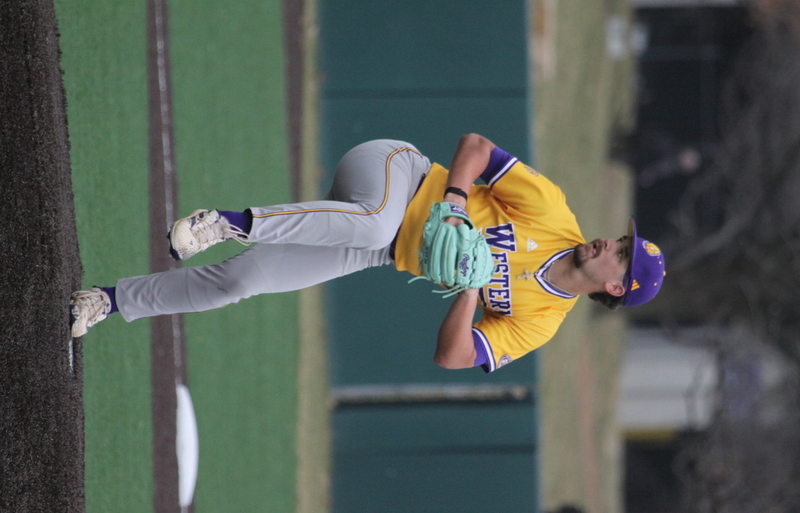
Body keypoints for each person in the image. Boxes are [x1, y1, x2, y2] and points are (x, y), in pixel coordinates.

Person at [70, 134, 665, 373]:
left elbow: (453, 357)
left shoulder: (541, 321)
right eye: (622, 237)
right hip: (395, 172)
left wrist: (472, 290)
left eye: (623, 254)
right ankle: (229, 223)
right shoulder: (554, 213)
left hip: (373, 249)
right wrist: (455, 203)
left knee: (239, 286)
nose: (611, 242)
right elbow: (478, 147)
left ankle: (107, 301)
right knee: (376, 224)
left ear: (616, 288)